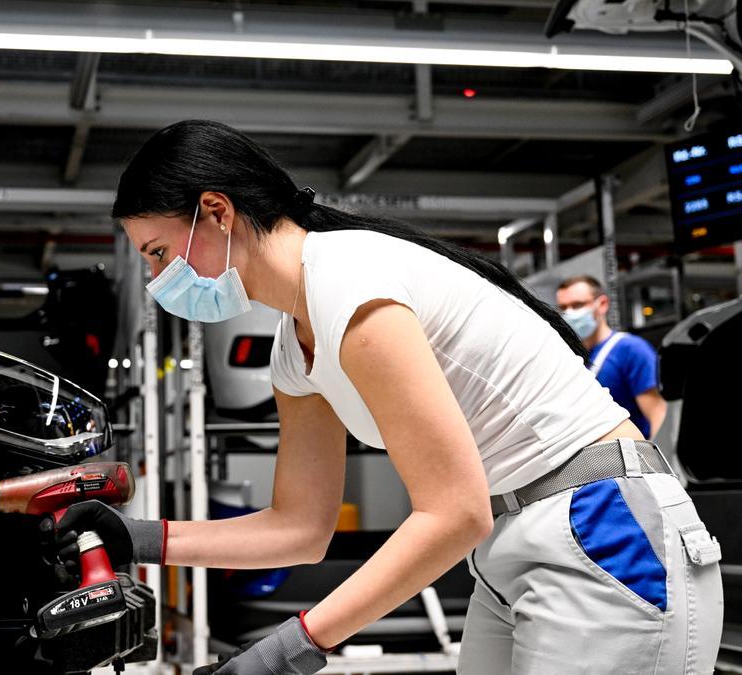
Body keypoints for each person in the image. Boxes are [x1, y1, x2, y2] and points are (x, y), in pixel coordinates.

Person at [53, 120, 723, 675]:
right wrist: (139, 536)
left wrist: (290, 648)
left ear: (217, 212)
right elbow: (300, 525)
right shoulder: (296, 341)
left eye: (160, 251)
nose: (157, 276)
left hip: (603, 527)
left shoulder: (349, 283)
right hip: (512, 543)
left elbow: (453, 510)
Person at [556, 275, 667, 439]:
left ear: (602, 304)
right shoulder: (569, 356)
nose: (569, 313)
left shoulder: (631, 350)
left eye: (577, 305)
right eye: (563, 307)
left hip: (633, 457)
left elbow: (658, 417)